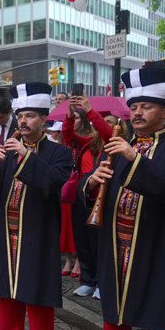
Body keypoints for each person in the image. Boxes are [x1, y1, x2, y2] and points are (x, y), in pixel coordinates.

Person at [80, 68, 165, 330]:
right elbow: (95, 185)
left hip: (157, 240)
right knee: (114, 300)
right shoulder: (124, 144)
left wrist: (136, 160)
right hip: (116, 237)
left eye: (146, 107)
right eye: (133, 107)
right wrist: (91, 183)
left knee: (162, 307)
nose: (137, 113)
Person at [0, 83, 73, 330]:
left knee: (38, 286)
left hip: (38, 230)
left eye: (30, 116)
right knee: (6, 283)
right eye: (20, 116)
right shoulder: (9, 150)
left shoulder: (59, 152)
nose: (23, 121)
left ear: (43, 119)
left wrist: (26, 155)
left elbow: (52, 181)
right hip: (7, 226)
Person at [63, 96, 112, 297]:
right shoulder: (88, 143)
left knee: (100, 243)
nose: (104, 124)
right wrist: (69, 115)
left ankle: (102, 283)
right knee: (83, 241)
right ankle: (89, 280)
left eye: (110, 121)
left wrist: (91, 112)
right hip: (82, 197)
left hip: (103, 199)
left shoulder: (114, 145)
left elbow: (108, 133)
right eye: (103, 121)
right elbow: (68, 136)